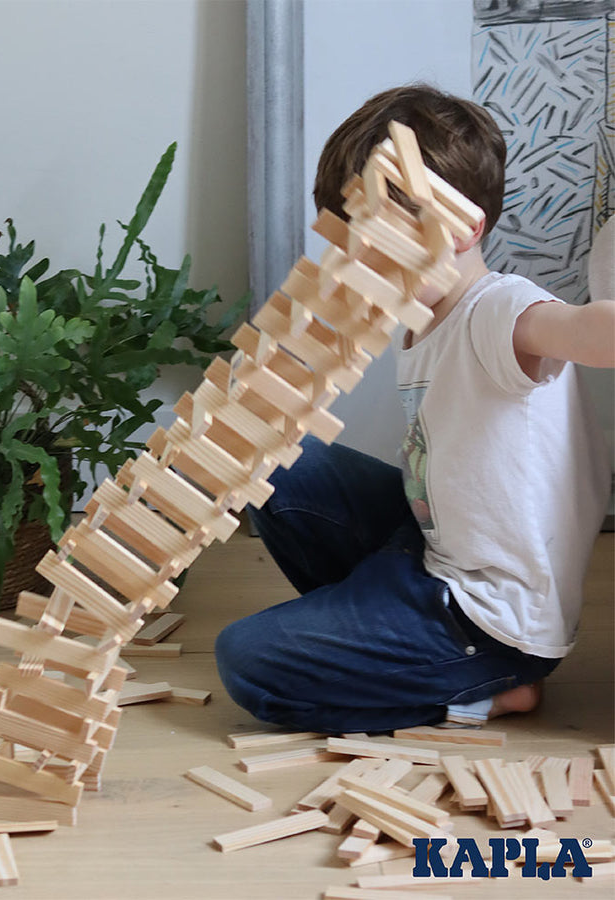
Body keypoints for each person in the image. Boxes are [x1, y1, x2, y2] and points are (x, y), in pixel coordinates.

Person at [215, 84, 614, 734]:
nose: (357, 265)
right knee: (282, 452)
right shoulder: (420, 318)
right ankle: (366, 634)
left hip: (485, 619)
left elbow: (579, 329)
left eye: (379, 245)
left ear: (461, 227)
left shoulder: (498, 311)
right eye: (348, 242)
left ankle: (481, 690)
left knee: (245, 660)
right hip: (432, 543)